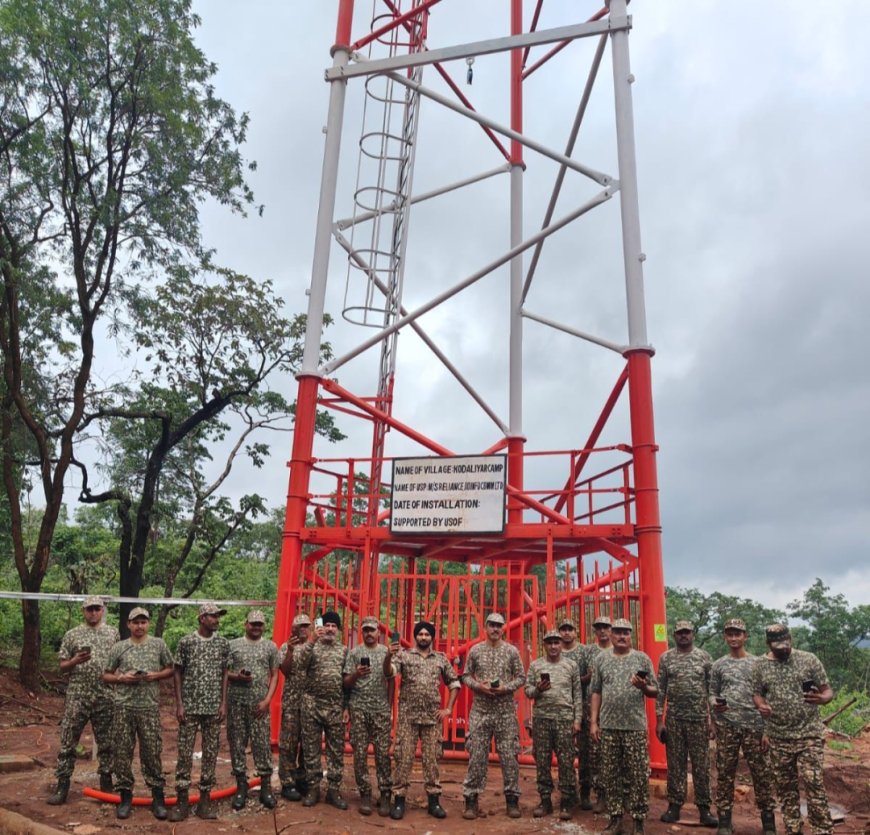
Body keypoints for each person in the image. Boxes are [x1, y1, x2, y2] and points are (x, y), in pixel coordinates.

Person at [753, 624, 834, 835]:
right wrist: (760, 705)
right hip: (778, 737)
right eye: (778, 647)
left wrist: (823, 699)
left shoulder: (809, 659)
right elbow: (757, 693)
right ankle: (793, 829)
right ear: (768, 644)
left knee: (813, 783)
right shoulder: (760, 665)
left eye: (786, 645)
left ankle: (822, 830)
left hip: (809, 735)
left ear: (791, 639)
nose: (783, 650)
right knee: (785, 789)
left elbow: (827, 690)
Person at [102, 607, 174, 820]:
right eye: (136, 622)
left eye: (143, 622)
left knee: (152, 752)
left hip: (149, 707)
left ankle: (157, 797)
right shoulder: (119, 647)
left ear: (148, 624)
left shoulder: (158, 644)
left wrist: (156, 675)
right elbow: (105, 675)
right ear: (129, 624)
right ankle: (125, 796)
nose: (139, 626)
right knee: (122, 753)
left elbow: (171, 668)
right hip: (124, 706)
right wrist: (122, 678)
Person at [48, 595, 119, 806]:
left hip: (105, 695)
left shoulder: (112, 633)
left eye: (97, 609)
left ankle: (107, 784)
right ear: (83, 611)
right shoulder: (73, 634)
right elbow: (62, 666)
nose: (93, 613)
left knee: (107, 743)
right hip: (77, 696)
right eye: (89, 609)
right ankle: (62, 786)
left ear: (103, 610)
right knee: (68, 742)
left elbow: (117, 662)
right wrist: (74, 661)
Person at [590, 617, 658, 835]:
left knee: (638, 774)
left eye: (625, 632)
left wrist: (644, 687)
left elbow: (655, 691)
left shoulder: (642, 659)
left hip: (635, 727)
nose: (621, 636)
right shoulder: (601, 659)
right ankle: (615, 818)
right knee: (611, 774)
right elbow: (596, 691)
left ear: (631, 635)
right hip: (609, 727)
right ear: (611, 635)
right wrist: (593, 722)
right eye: (617, 632)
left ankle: (638, 820)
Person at [389, 620, 460, 820]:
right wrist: (389, 655)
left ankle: (434, 802)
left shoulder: (441, 659)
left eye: (427, 634)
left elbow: (454, 683)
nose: (423, 637)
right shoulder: (403, 655)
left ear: (432, 637)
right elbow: (390, 673)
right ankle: (399, 800)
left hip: (432, 719)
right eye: (420, 634)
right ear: (415, 636)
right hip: (408, 718)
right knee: (403, 759)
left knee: (432, 761)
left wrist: (448, 708)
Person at [711, 618, 775, 835]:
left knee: (762, 774)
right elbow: (712, 693)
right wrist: (714, 705)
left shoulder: (758, 664)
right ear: (725, 636)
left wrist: (767, 730)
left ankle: (768, 823)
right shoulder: (718, 665)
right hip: (727, 727)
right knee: (725, 774)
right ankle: (725, 822)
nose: (733, 638)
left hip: (754, 727)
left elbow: (767, 697)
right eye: (730, 633)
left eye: (738, 633)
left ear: (745, 636)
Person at [460, 612, 526, 820]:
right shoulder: (476, 651)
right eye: (492, 625)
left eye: (499, 625)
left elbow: (522, 677)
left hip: (505, 712)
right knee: (477, 756)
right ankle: (471, 800)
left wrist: (506, 688)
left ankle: (512, 799)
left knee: (509, 757)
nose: (495, 629)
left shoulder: (511, 652)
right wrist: (478, 686)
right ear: (486, 628)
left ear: (503, 628)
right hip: (481, 711)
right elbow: (465, 675)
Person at [169, 602, 230, 822]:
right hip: (190, 707)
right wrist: (180, 704)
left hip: (213, 707)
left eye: (218, 616)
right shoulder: (187, 642)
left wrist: (223, 703)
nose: (217, 620)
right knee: (184, 753)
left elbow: (225, 674)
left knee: (210, 753)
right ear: (202, 618)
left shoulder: (223, 644)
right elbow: (177, 672)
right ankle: (182, 800)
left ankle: (205, 799)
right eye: (213, 616)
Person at [656, 620, 717, 827]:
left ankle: (704, 809)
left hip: (699, 719)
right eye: (680, 633)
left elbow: (712, 691)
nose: (684, 636)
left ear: (693, 634)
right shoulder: (666, 658)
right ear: (674, 635)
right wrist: (659, 720)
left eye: (687, 632)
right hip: (674, 720)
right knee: (675, 765)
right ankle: (674, 806)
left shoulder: (704, 658)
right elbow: (660, 690)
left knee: (701, 766)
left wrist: (713, 721)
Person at [292, 610, 349, 809]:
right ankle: (313, 788)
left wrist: (346, 707)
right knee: (310, 749)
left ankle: (334, 790)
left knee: (336, 750)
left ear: (338, 629)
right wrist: (311, 641)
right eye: (327, 625)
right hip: (311, 705)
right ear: (321, 627)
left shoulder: (344, 651)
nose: (330, 629)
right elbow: (299, 665)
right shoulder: (310, 647)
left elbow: (347, 681)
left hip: (334, 706)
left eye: (334, 626)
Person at [525, 629, 582, 821]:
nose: (553, 646)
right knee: (542, 760)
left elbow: (577, 695)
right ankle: (545, 800)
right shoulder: (536, 666)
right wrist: (538, 689)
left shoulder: (571, 666)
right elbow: (528, 692)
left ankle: (567, 800)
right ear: (545, 645)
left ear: (561, 644)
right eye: (549, 643)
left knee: (566, 761)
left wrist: (577, 720)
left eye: (556, 642)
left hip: (565, 719)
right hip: (542, 719)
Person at [227, 609, 280, 810]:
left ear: (264, 626)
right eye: (252, 623)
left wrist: (267, 701)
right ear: (245, 624)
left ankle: (265, 787)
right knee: (237, 744)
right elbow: (225, 673)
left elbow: (274, 675)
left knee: (262, 746)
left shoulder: (270, 647)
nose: (256, 627)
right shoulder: (233, 646)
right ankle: (241, 786)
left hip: (260, 705)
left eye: (259, 624)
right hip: (236, 704)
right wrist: (237, 676)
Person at [343, 615, 395, 816]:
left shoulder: (386, 653)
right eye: (365, 630)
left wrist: (388, 706)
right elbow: (346, 683)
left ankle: (385, 794)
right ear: (361, 632)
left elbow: (391, 680)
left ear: (379, 633)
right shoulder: (354, 653)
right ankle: (365, 793)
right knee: (360, 754)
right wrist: (356, 674)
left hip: (380, 711)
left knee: (383, 754)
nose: (369, 633)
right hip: (358, 709)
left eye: (372, 630)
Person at [577, 614, 612, 811]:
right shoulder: (588, 651)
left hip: (612, 709)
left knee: (612, 752)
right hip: (589, 708)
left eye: (606, 627)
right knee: (589, 752)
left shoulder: (618, 651)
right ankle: (589, 792)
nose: (602, 631)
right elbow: (578, 679)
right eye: (599, 627)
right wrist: (587, 677)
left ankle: (610, 794)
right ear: (595, 630)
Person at [278, 612, 311, 801]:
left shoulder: (314, 647)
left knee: (308, 745)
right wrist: (290, 651)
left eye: (307, 626)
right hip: (292, 703)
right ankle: (288, 782)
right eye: (301, 627)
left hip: (310, 704)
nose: (304, 629)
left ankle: (303, 778)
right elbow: (285, 671)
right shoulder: (286, 647)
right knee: (289, 745)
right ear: (294, 630)